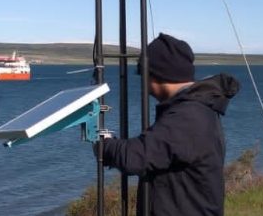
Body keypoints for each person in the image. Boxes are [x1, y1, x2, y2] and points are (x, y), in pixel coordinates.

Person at [99, 33, 239, 216]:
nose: (143, 81)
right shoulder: (194, 109)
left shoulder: (188, 116)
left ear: (156, 74)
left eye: (142, 73)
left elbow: (138, 157)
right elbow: (156, 151)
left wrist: (105, 144)